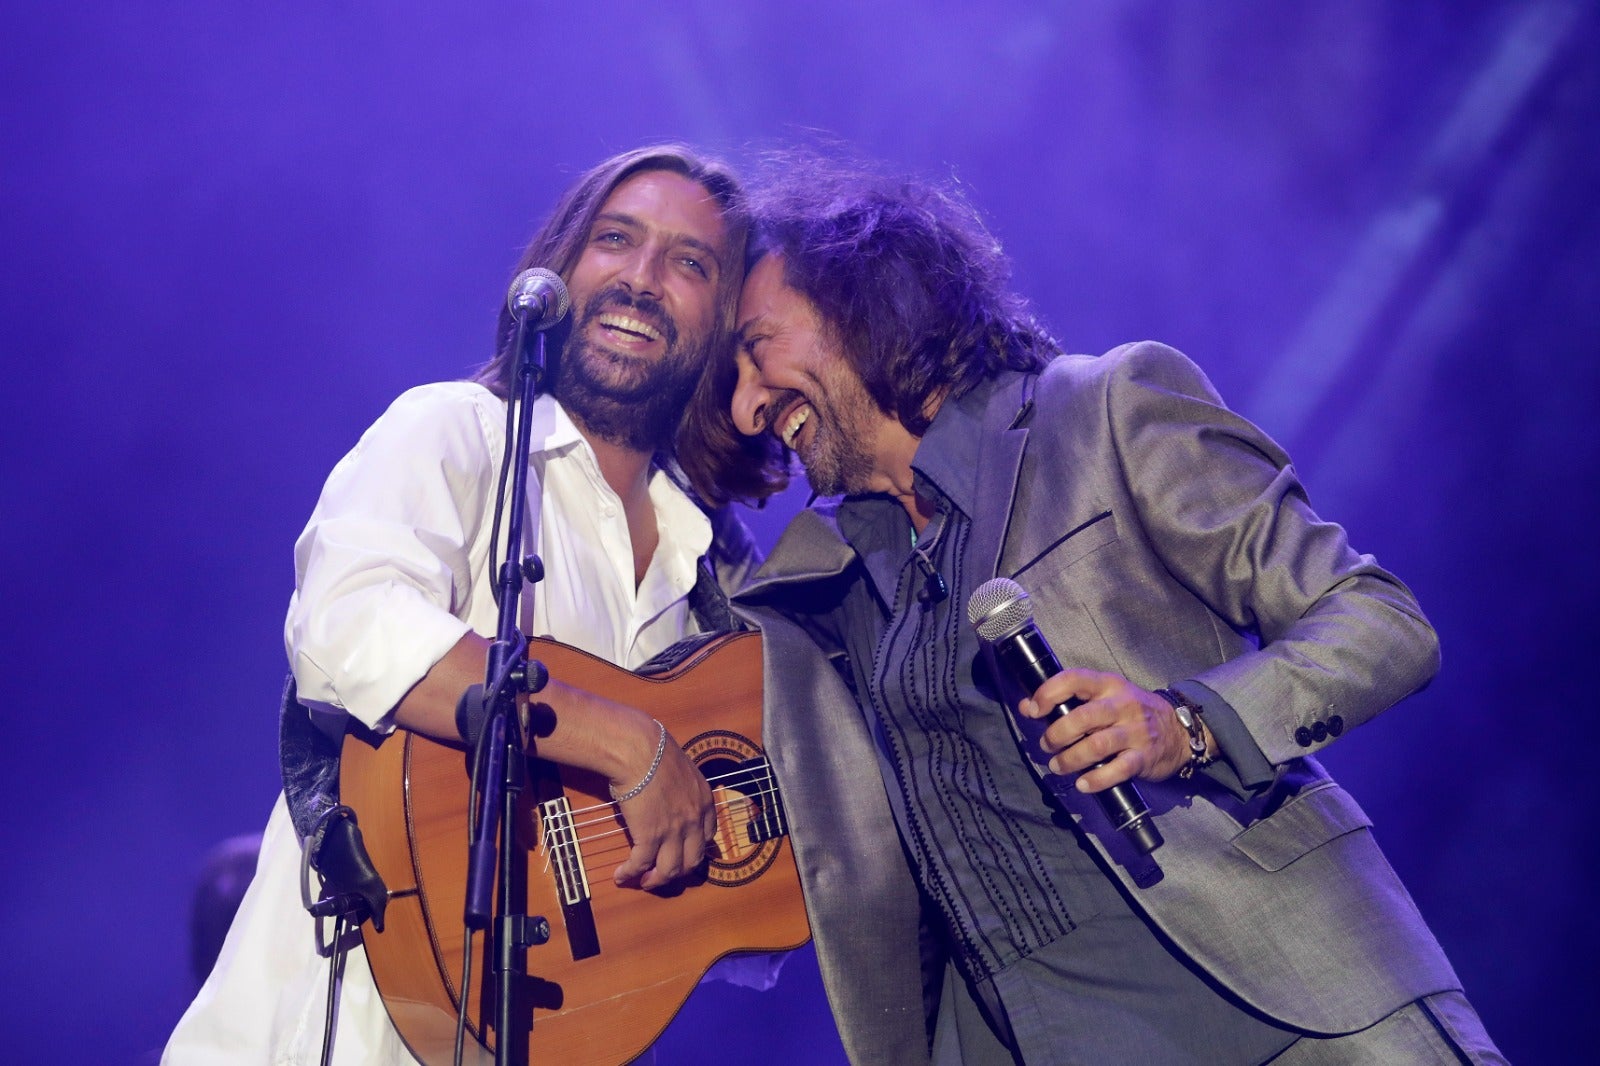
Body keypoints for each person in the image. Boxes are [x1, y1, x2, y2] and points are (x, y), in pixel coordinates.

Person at [689, 160, 1505, 1063]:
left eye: (757, 348)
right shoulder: (826, 586)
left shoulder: (1104, 410)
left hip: (1283, 1010)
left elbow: (1378, 620)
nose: (748, 403)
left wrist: (1185, 725)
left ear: (855, 300)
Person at [164, 144, 763, 1064]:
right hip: (341, 1034)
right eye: (615, 240)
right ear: (558, 269)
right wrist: (625, 741)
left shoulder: (712, 574)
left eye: (690, 264)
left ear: (724, 322)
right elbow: (344, 626)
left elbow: (704, 911)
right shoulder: (457, 432)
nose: (642, 281)